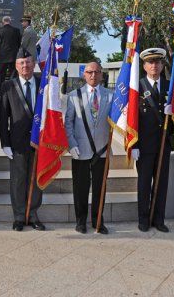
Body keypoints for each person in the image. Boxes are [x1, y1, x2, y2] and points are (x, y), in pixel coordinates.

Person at [0, 48, 45, 231]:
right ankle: (19, 216)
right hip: (17, 142)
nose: (25, 65)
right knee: (18, 180)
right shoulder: (8, 86)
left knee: (36, 179)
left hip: (39, 141)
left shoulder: (44, 84)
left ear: (33, 64)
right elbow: (3, 117)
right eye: (21, 63)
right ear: (16, 66)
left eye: (28, 62)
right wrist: (5, 143)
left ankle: (32, 215)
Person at [65, 61, 112, 234]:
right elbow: (68, 122)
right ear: (84, 74)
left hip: (102, 150)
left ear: (101, 74)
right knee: (80, 188)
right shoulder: (73, 96)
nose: (93, 75)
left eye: (97, 72)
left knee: (100, 188)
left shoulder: (111, 96)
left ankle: (98, 220)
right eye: (90, 72)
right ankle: (81, 221)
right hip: (80, 150)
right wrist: (71, 144)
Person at [131, 48, 174, 233]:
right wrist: (134, 144)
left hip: (163, 144)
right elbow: (132, 118)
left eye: (157, 62)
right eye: (150, 62)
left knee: (161, 183)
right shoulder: (137, 87)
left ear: (162, 64)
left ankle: (159, 219)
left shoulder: (169, 87)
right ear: (144, 66)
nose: (154, 65)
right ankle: (143, 219)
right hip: (144, 146)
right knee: (144, 184)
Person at [0, 16, 21, 87]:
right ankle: (12, 89)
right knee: (13, 74)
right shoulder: (16, 30)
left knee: (0, 74)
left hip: (2, 56)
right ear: (10, 21)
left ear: (3, 22)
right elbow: (19, 43)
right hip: (13, 55)